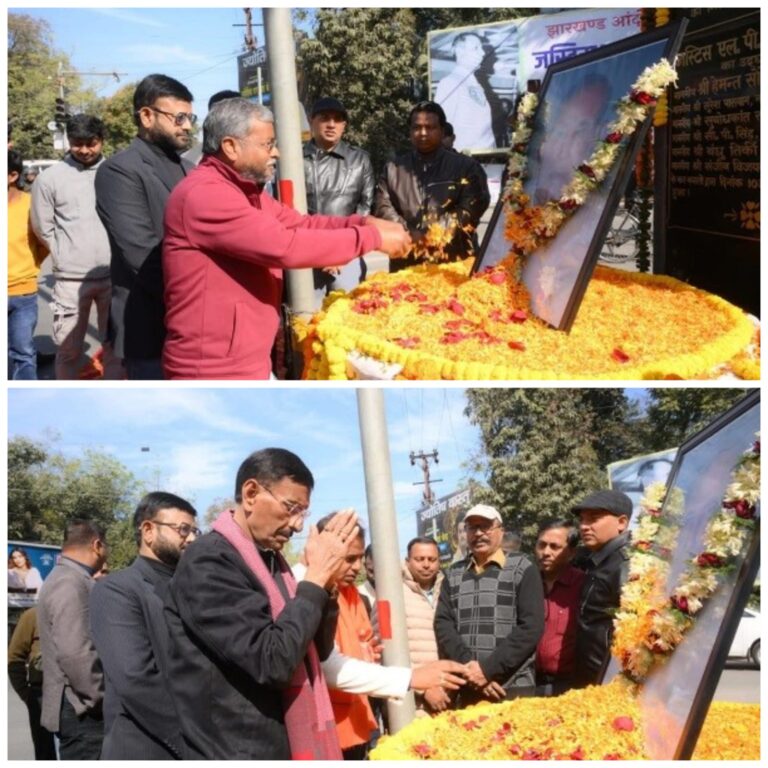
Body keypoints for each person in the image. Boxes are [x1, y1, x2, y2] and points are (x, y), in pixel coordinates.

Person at [162, 98, 410, 379]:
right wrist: (371, 237)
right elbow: (285, 246)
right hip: (213, 368)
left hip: (246, 358)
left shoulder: (243, 191)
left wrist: (362, 222)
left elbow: (301, 224)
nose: (276, 153)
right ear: (231, 146)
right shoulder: (205, 194)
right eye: (267, 144)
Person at [163, 447, 361, 759]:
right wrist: (315, 579)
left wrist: (326, 586)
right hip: (234, 749)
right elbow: (273, 662)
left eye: (303, 513)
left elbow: (318, 650)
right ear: (251, 493)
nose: (297, 525)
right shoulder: (209, 561)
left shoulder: (272, 562)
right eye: (291, 508)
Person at [95, 73, 196, 380]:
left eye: (190, 118)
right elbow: (141, 253)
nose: (187, 126)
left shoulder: (189, 169)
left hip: (194, 323)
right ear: (147, 116)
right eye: (179, 118)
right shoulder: (119, 171)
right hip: (151, 324)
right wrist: (199, 295)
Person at [89, 492, 199, 759]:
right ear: (148, 531)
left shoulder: (193, 588)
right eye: (183, 529)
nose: (191, 539)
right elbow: (135, 679)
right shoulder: (117, 590)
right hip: (149, 746)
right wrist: (192, 742)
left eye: (195, 531)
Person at [30, 114, 120, 380]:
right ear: (69, 141)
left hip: (114, 277)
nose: (84, 150)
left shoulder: (117, 173)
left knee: (115, 349)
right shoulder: (49, 179)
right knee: (68, 351)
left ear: (102, 140)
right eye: (77, 143)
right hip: (70, 281)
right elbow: (43, 226)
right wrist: (63, 254)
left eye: (91, 143)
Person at [434, 503, 544, 708]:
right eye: (472, 528)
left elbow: (531, 627)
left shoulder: (523, 567)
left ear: (500, 531)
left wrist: (488, 670)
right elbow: (443, 625)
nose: (478, 533)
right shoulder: (453, 574)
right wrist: (472, 671)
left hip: (512, 686)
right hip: (469, 687)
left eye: (485, 527)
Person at [374, 101, 490, 271]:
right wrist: (407, 235)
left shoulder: (466, 167)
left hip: (454, 263)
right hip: (406, 262)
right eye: (417, 127)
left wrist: (429, 235)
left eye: (430, 127)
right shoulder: (393, 169)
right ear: (410, 131)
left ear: (442, 131)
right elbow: (382, 207)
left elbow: (471, 209)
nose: (423, 133)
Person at [37, 519, 109, 759]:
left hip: (79, 705)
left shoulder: (66, 577)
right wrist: (99, 698)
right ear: (97, 545)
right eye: (106, 546)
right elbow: (75, 653)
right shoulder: (70, 581)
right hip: (82, 710)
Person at [304, 97, 376, 297]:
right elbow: (287, 211)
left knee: (346, 311)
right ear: (311, 120)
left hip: (347, 257)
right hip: (306, 256)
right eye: (324, 118)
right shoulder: (295, 160)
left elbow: (365, 208)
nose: (331, 124)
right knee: (307, 315)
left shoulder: (360, 160)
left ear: (344, 125)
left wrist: (344, 251)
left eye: (337, 119)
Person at [570, 489, 632, 687]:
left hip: (607, 680)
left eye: (593, 518)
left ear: (621, 522)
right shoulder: (596, 559)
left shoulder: (626, 564)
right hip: (589, 676)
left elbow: (635, 631)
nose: (584, 526)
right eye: (582, 519)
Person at [529, 73, 612, 205]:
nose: (562, 150)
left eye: (580, 131)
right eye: (561, 130)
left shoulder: (596, 211)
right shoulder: (520, 197)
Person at [8, 148, 48, 380]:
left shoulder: (31, 206)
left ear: (12, 176)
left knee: (23, 353)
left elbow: (44, 242)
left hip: (23, 294)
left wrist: (29, 267)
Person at [533, 520, 586, 695]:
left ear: (571, 552)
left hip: (567, 686)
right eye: (542, 545)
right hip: (527, 681)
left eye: (554, 547)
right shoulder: (526, 582)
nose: (545, 553)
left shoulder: (583, 585)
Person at [399, 537, 448, 713]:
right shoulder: (393, 594)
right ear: (408, 561)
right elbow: (386, 652)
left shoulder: (448, 590)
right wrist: (424, 689)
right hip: (412, 703)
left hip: (449, 694)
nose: (426, 565)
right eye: (419, 559)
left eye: (432, 559)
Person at [8, 607, 57, 760]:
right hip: (41, 695)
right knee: (45, 752)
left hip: (75, 695)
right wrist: (28, 696)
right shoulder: (32, 616)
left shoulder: (82, 611)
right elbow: (14, 659)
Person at [434, 32, 496, 151]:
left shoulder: (475, 83)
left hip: (486, 157)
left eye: (481, 48)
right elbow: (442, 129)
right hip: (464, 158)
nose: (483, 53)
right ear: (459, 51)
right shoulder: (449, 83)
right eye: (476, 48)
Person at [358, 543, 376, 612]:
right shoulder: (359, 593)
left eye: (379, 572)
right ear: (365, 566)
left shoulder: (400, 592)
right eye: (371, 571)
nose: (375, 577)